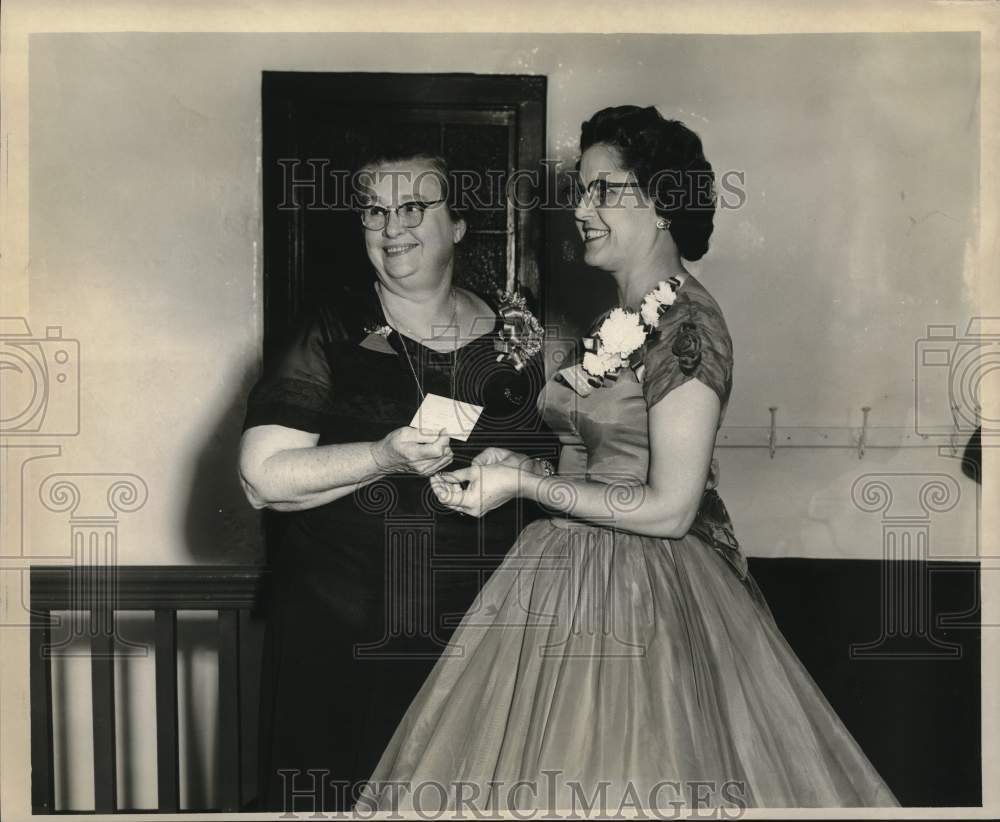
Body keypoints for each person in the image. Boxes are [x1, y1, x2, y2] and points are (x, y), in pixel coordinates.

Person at [360, 107, 900, 812]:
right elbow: (597, 463)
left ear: (663, 203)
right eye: (581, 192)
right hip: (560, 579)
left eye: (603, 191)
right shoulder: (617, 325)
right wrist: (521, 469)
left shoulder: (687, 328)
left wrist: (526, 485)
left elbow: (671, 510)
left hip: (649, 592)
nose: (580, 210)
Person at [239, 151, 554, 811]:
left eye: (413, 208)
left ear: (459, 225)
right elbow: (261, 479)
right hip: (344, 643)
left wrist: (523, 470)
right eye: (375, 211)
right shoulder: (331, 329)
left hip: (479, 644)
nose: (392, 228)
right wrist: (382, 456)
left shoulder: (514, 339)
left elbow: (546, 466)